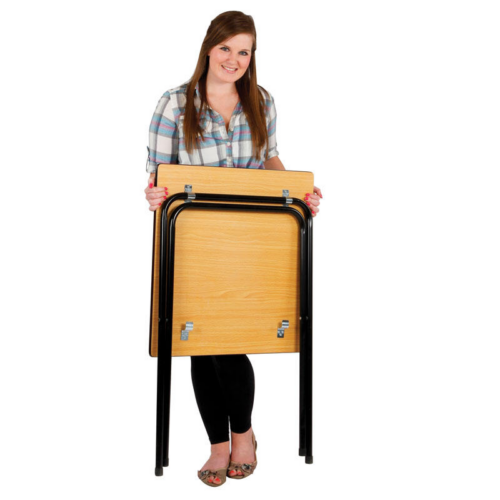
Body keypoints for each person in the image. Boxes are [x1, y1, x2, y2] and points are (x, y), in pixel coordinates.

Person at [144, 11, 322, 486]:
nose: (234, 59)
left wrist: (300, 194)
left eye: (244, 51)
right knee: (199, 341)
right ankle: (219, 445)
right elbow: (159, 173)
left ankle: (242, 436)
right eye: (227, 48)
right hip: (194, 239)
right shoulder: (174, 103)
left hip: (249, 239)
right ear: (209, 48)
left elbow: (268, 160)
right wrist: (155, 196)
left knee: (232, 340)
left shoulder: (261, 101)